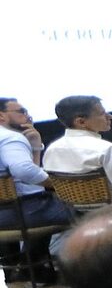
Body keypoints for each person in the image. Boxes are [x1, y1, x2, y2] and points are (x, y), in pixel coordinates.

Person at [0, 97, 72, 274]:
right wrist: (58, 185)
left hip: (6, 213)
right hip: (20, 213)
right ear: (1, 116)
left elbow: (25, 179)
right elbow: (24, 171)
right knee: (79, 206)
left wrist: (35, 146)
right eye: (21, 111)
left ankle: (24, 266)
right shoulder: (10, 138)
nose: (28, 116)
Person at [41, 95, 112, 200]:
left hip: (73, 213)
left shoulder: (51, 150)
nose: (110, 116)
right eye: (102, 113)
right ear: (81, 122)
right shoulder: (106, 149)